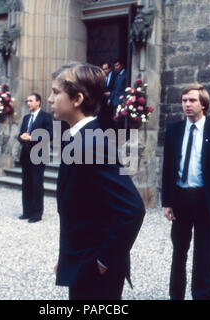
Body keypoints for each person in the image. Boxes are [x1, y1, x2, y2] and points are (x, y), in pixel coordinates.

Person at [49, 62, 145, 300]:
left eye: (55, 92)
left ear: (77, 99)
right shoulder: (79, 138)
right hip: (82, 261)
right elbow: (86, 211)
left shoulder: (91, 143)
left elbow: (132, 209)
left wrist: (104, 260)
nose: (50, 99)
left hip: (95, 271)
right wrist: (68, 258)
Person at [161, 83, 210, 300]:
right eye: (184, 101)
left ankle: (202, 296)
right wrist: (167, 202)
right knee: (179, 252)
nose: (187, 105)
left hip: (205, 200)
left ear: (203, 104)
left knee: (204, 254)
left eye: (192, 100)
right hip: (181, 198)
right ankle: (176, 295)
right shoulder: (173, 131)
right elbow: (168, 168)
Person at [17, 93, 53, 223]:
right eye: (27, 101)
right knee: (26, 184)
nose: (28, 103)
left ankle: (37, 213)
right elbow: (20, 134)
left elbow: (50, 134)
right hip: (26, 155)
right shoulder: (26, 118)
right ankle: (27, 211)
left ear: (38, 102)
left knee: (37, 184)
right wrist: (22, 137)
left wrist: (32, 138)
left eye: (31, 101)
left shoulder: (45, 117)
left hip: (39, 155)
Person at [99, 62, 117, 130]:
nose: (104, 71)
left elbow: (116, 88)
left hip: (112, 100)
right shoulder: (103, 77)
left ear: (110, 69)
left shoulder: (115, 76)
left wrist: (111, 94)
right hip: (104, 101)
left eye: (106, 69)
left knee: (111, 120)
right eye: (103, 69)